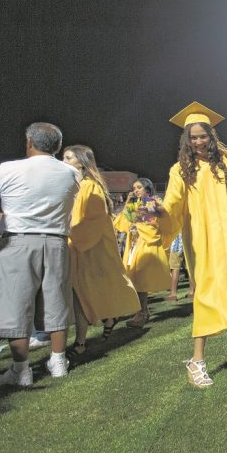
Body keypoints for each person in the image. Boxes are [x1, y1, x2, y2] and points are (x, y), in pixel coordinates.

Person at [159, 102, 227, 387]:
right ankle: (197, 360)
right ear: (186, 141)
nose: (199, 142)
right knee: (205, 294)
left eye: (203, 136)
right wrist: (156, 215)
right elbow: (173, 205)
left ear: (212, 136)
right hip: (205, 240)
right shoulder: (180, 170)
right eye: (193, 137)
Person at [0, 122, 81, 386]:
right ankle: (58, 360)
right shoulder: (72, 173)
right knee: (57, 300)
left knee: (16, 303)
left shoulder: (8, 169)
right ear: (58, 146)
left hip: (18, 240)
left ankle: (20, 369)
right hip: (56, 241)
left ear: (29, 142)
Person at [61, 145, 140, 354]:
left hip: (90, 247)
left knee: (87, 293)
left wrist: (71, 235)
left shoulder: (90, 186)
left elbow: (94, 221)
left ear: (81, 161)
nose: (136, 191)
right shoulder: (77, 186)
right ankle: (105, 320)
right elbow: (123, 221)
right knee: (84, 293)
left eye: (68, 158)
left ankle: (81, 341)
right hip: (83, 246)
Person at [114, 178, 168, 327]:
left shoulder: (152, 202)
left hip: (146, 244)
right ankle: (142, 311)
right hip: (135, 245)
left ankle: (142, 313)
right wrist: (128, 203)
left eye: (139, 187)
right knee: (135, 279)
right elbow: (123, 222)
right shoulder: (136, 204)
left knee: (141, 280)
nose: (135, 190)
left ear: (147, 189)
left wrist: (136, 225)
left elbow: (153, 224)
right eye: (134, 188)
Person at [165, 233, 195, 301]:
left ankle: (173, 294)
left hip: (177, 241)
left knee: (175, 267)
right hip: (190, 238)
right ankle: (192, 291)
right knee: (190, 265)